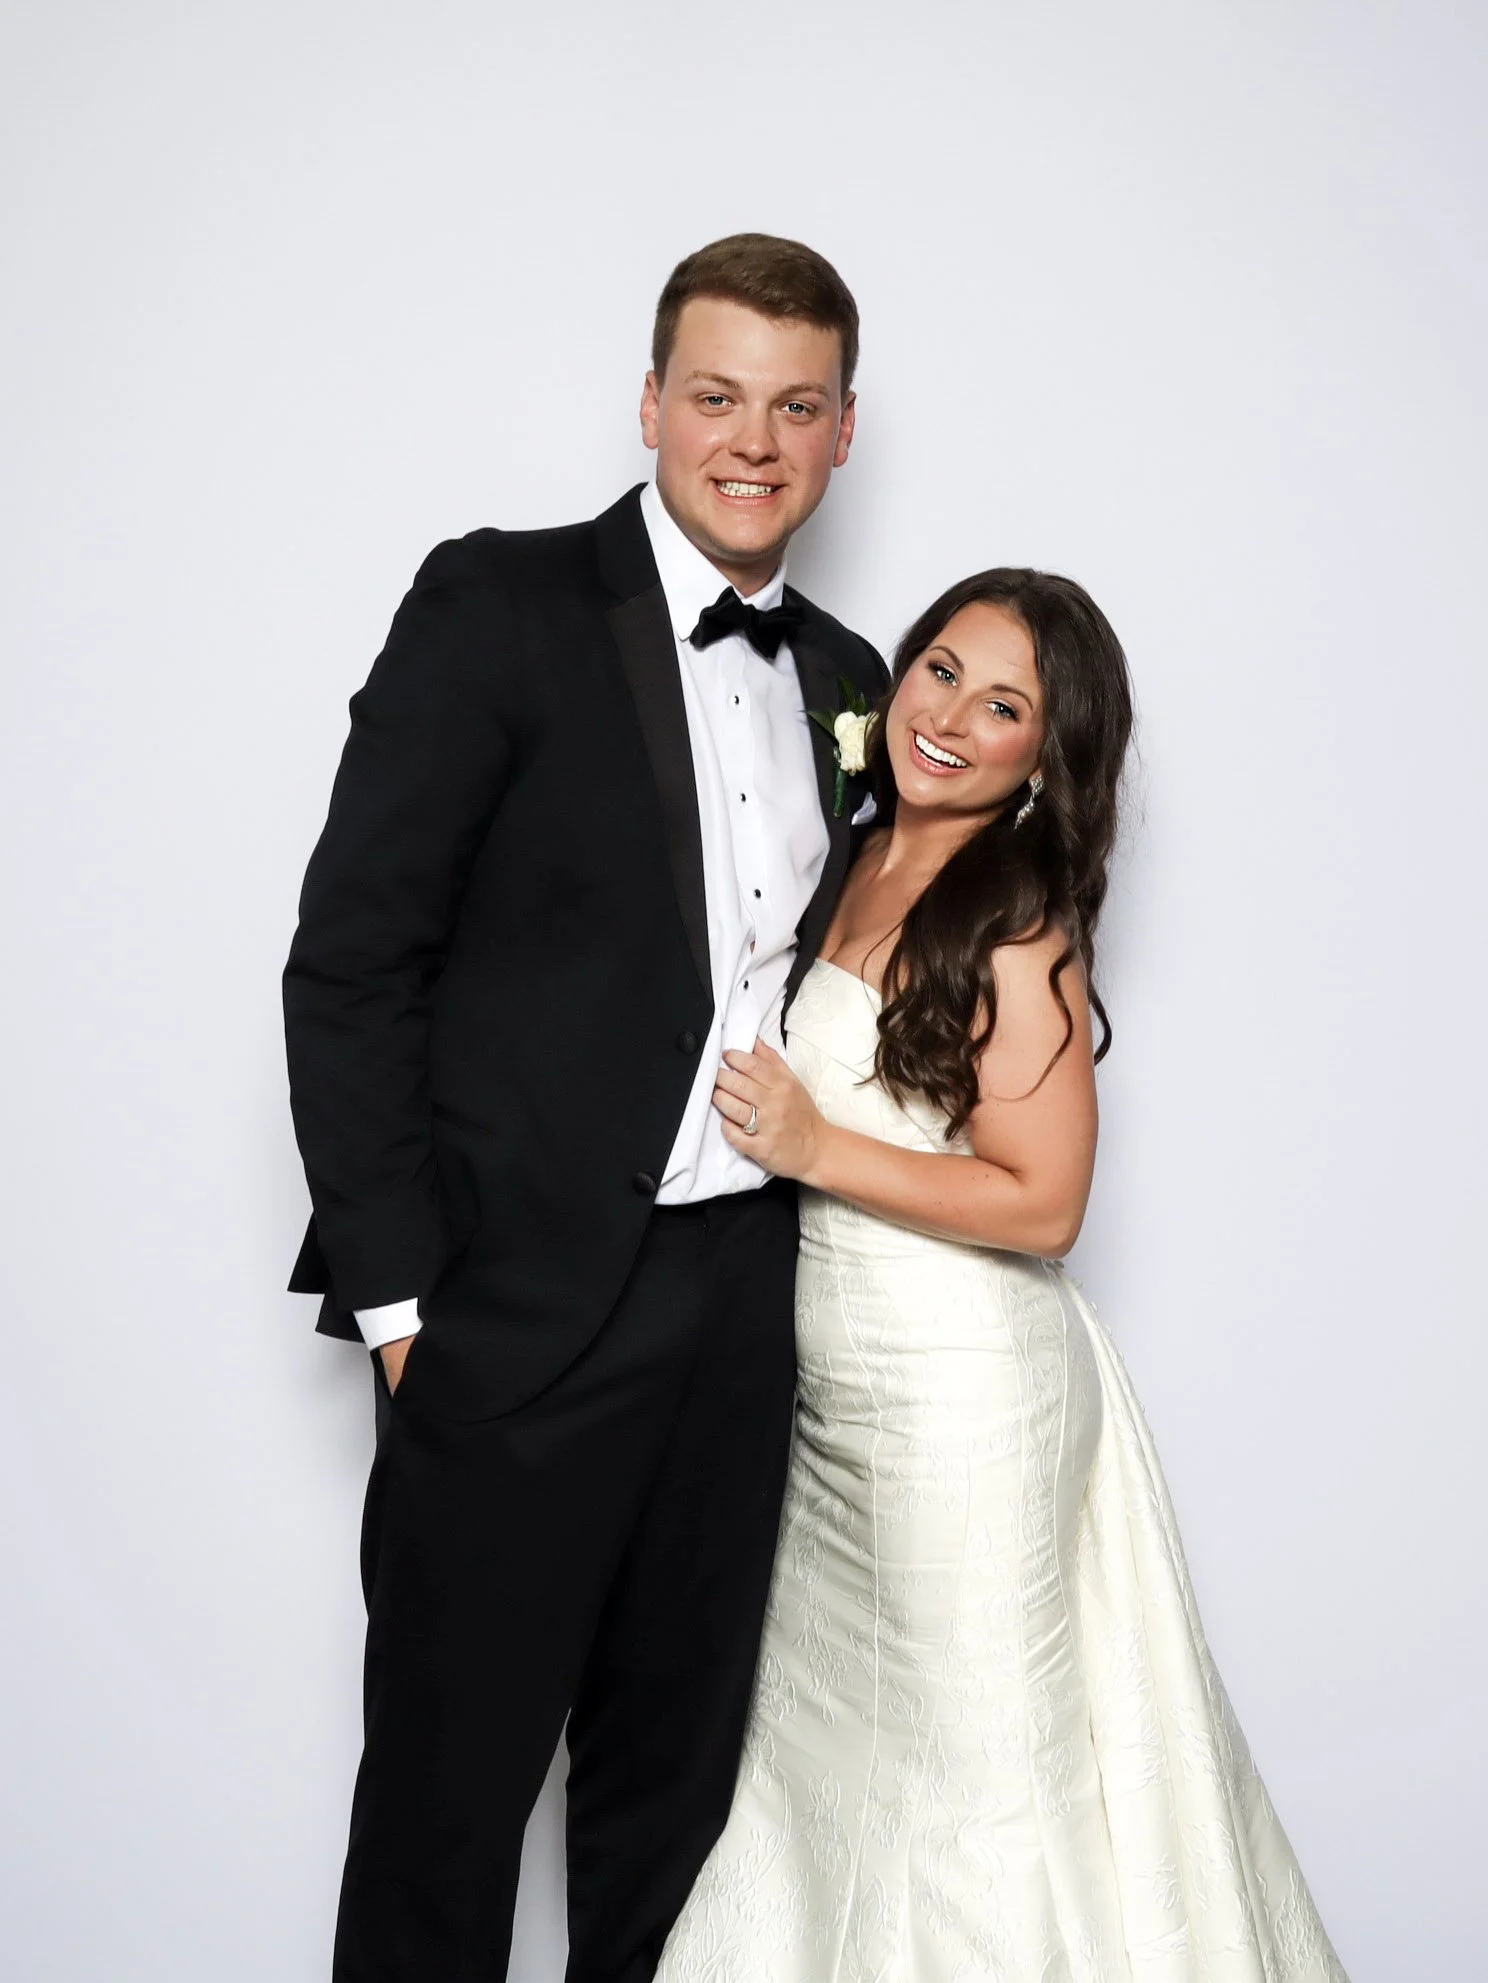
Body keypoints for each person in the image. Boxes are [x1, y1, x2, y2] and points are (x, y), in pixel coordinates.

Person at [281, 233, 888, 1981]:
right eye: (715, 396)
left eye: (796, 404)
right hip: (511, 1320)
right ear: (649, 404)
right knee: (444, 1824)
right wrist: (407, 1312)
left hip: (740, 1323)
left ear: (847, 429)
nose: (752, 439)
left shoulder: (857, 679)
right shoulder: (497, 605)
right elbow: (350, 963)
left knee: (677, 1821)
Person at [656, 571, 1349, 1981]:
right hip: (840, 1413)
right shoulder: (858, 857)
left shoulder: (1016, 923)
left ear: (1049, 753)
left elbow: (1047, 1203)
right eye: (941, 672)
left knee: (973, 1800)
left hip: (960, 1408)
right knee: (841, 1774)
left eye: (1006, 705)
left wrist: (814, 1144)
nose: (953, 717)